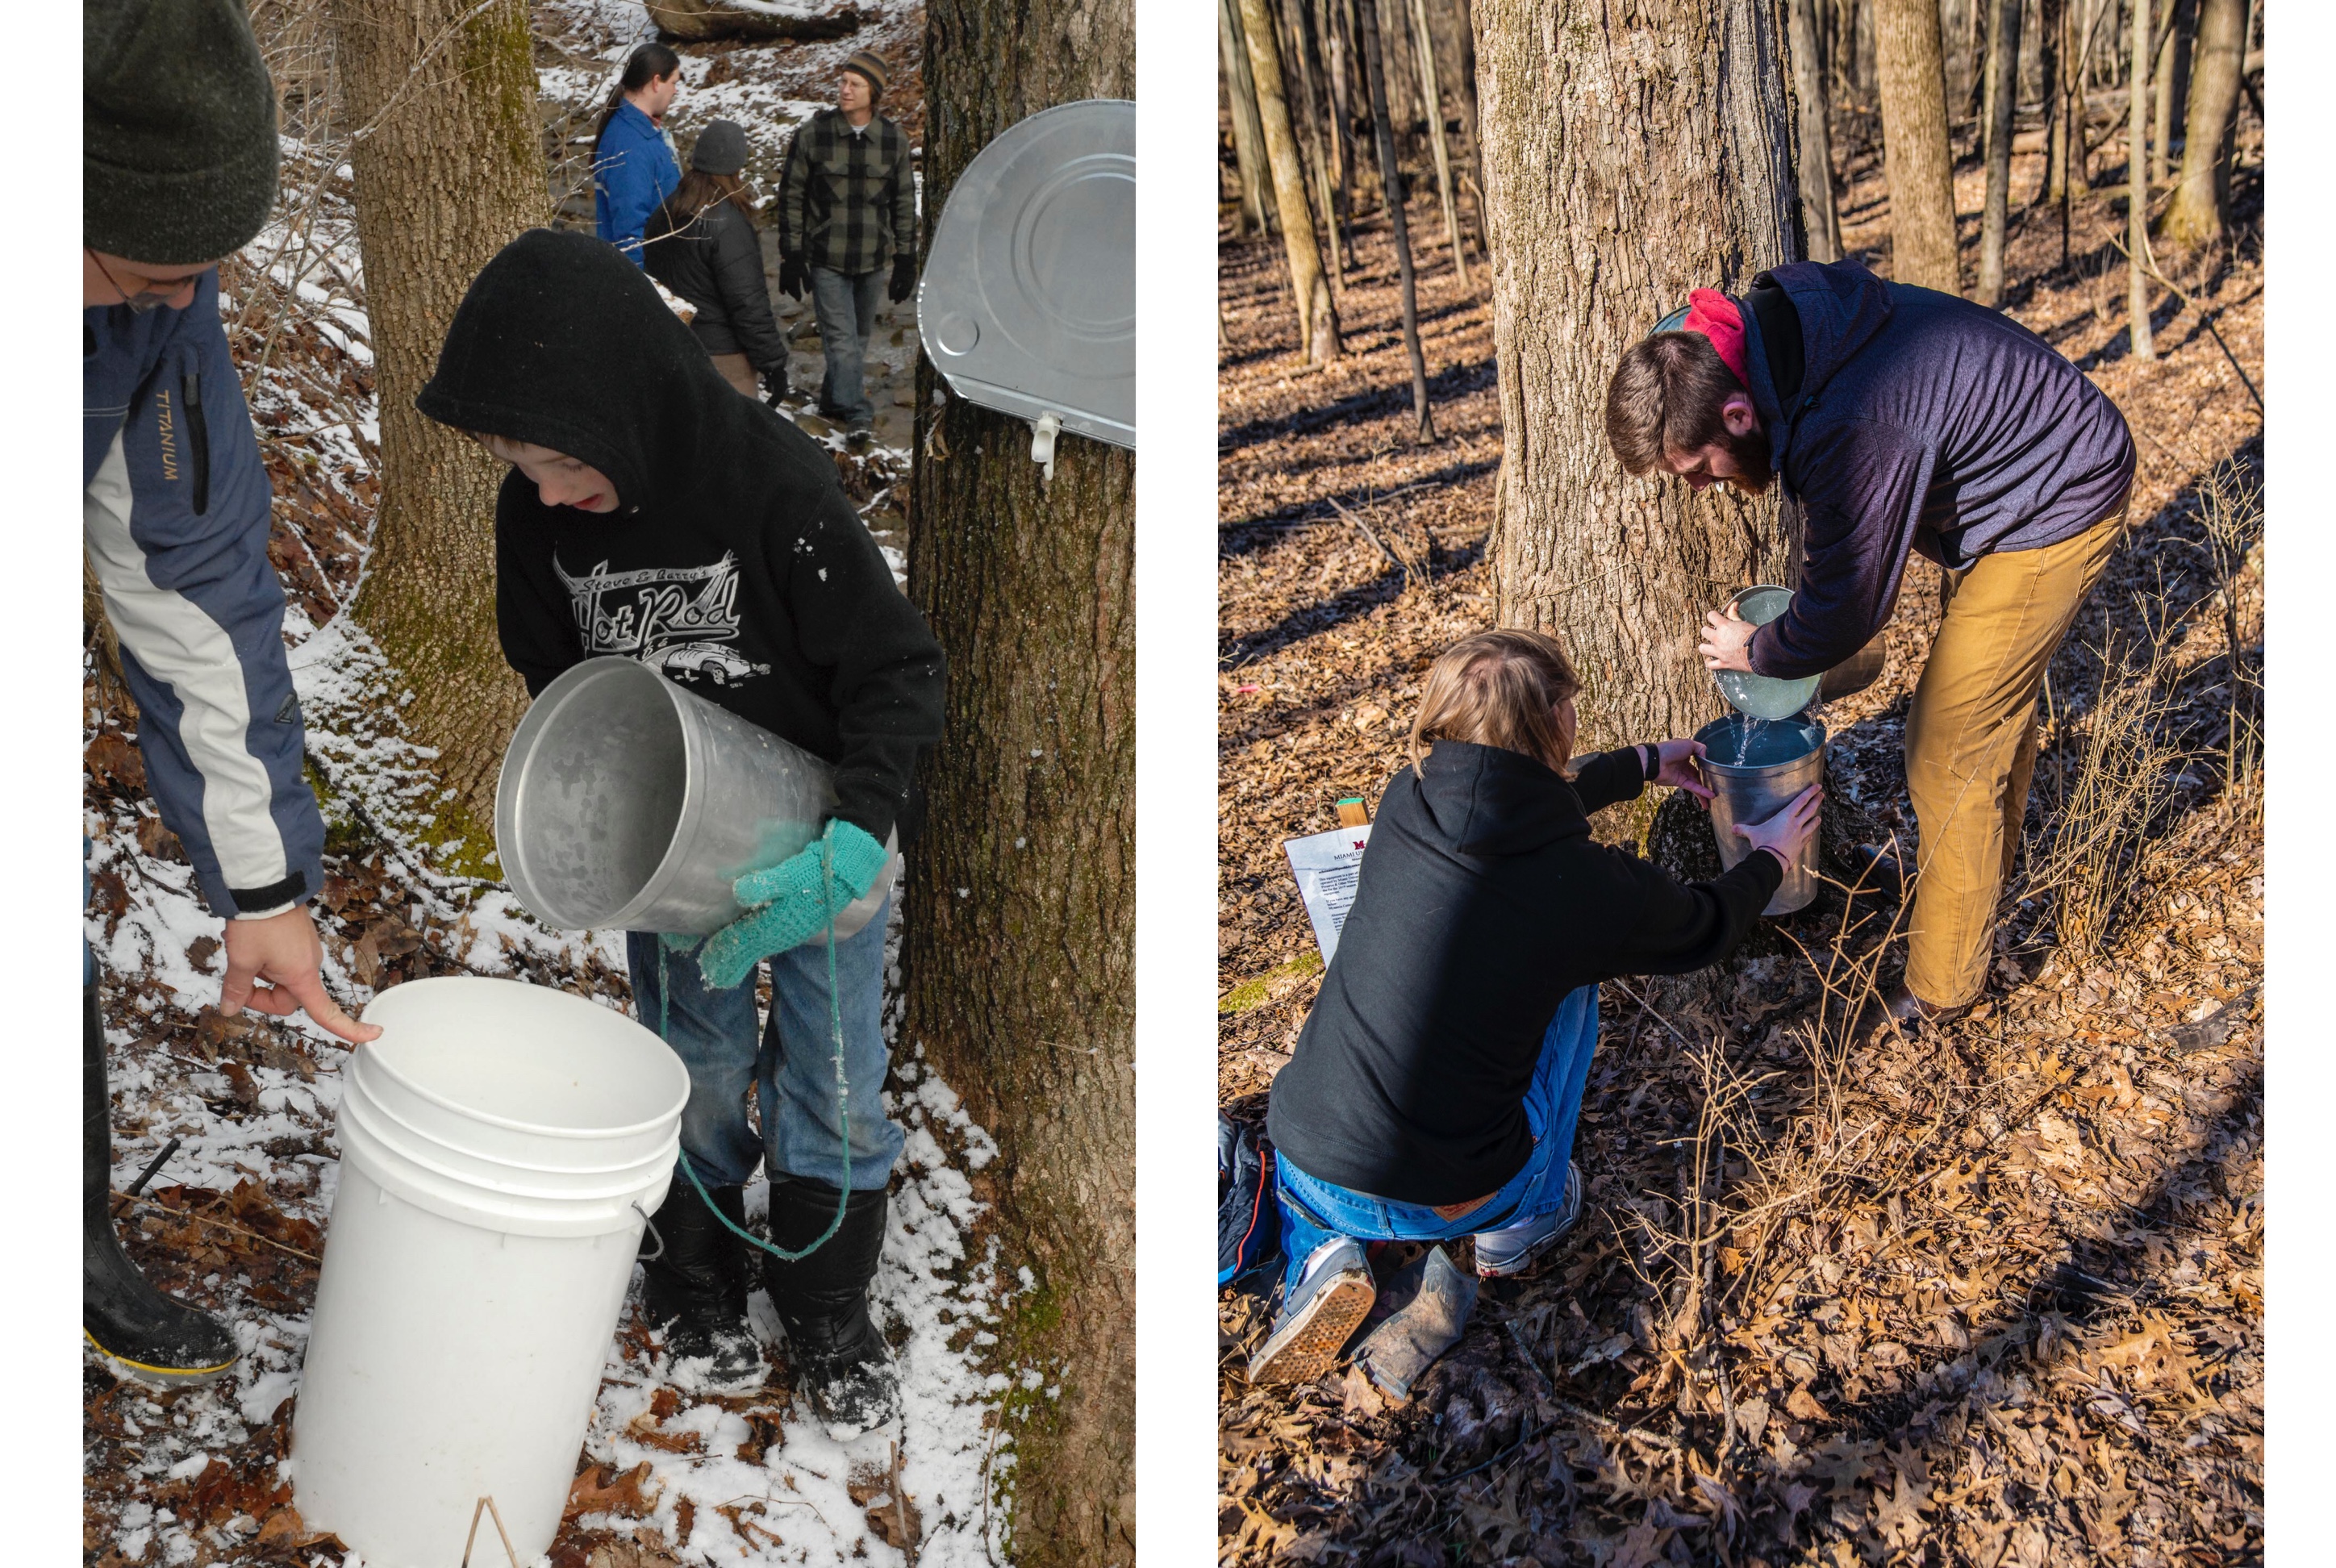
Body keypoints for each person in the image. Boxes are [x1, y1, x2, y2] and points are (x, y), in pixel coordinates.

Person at [414, 227, 946, 1435]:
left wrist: (858, 838)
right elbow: (553, 672)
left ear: (630, 404)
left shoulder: (774, 489)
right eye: (520, 468)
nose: (546, 493)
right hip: (674, 841)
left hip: (819, 834)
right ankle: (696, 1275)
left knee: (833, 1069)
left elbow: (897, 672)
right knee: (690, 1057)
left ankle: (824, 1300)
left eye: (558, 463)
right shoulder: (537, 519)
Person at [1251, 631, 1820, 1386]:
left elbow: (1508, 801)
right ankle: (1522, 1223)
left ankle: (1319, 1250)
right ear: (1555, 722)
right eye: (1569, 709)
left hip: (1304, 1155)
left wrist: (1644, 764)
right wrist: (1773, 856)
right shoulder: (1583, 888)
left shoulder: (1405, 799)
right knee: (1575, 978)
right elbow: (1703, 926)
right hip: (1460, 1193)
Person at [84, 0, 382, 1387]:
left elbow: (197, 587)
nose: (185, 306)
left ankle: (61, 1249)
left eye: (205, 274)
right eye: (152, 276)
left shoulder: (154, 321)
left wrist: (264, 889)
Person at [1604, 261, 2135, 1031]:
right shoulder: (1715, 340)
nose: (1699, 488)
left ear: (1739, 414)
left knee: (1948, 744)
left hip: (2055, 499)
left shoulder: (1854, 423)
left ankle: (1945, 987)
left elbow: (1848, 608)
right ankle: (1977, 876)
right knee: (1982, 719)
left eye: (1697, 470)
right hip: (2012, 476)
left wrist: (1757, 653)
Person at [777, 50, 919, 437]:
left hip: (873, 260)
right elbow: (790, 195)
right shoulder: (814, 134)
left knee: (856, 338)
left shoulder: (892, 140)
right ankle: (857, 413)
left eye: (855, 84)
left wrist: (907, 257)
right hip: (826, 259)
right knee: (841, 341)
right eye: (842, 82)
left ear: (873, 92)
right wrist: (790, 254)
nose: (845, 90)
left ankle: (831, 400)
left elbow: (904, 201)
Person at [644, 119, 790, 404]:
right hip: (725, 360)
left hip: (674, 348)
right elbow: (747, 303)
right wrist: (773, 362)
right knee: (732, 444)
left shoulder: (667, 210)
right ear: (736, 166)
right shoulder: (729, 223)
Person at [593, 42, 683, 268]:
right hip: (649, 278)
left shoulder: (647, 131)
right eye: (673, 82)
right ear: (656, 82)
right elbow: (630, 236)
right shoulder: (630, 145)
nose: (675, 90)